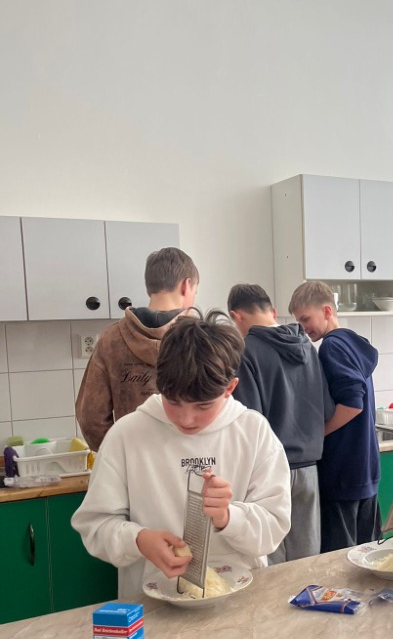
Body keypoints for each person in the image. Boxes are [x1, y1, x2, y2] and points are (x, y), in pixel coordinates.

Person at [72, 311, 291, 599]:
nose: (186, 419)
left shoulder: (254, 432)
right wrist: (138, 539)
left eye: (203, 406)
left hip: (238, 602)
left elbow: (275, 527)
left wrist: (228, 517)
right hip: (152, 605)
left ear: (230, 388)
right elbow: (94, 526)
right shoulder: (127, 435)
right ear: (159, 385)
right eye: (173, 402)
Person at [228, 283, 334, 563]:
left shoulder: (246, 352)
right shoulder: (307, 346)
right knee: (307, 561)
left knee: (271, 561)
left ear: (236, 316)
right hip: (309, 469)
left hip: (271, 469)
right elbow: (326, 408)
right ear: (272, 311)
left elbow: (248, 423)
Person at [76, 247, 200, 451]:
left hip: (132, 462)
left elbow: (90, 417)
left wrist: (120, 455)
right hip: (191, 462)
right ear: (186, 286)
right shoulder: (204, 339)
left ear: (149, 288)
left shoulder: (111, 339)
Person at [289, 281, 381, 551]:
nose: (303, 327)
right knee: (368, 555)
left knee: (340, 560)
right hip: (365, 468)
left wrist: (318, 434)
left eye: (306, 319)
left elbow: (353, 403)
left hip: (342, 471)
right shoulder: (353, 342)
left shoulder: (331, 347)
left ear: (327, 311)